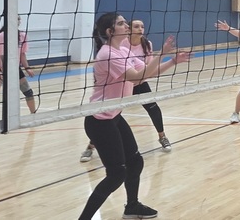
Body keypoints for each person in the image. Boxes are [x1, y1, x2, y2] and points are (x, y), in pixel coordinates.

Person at [79, 12, 189, 220]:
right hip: (100, 121)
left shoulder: (122, 50)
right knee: (116, 175)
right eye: (122, 23)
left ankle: (132, 206)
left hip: (114, 116)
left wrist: (173, 61)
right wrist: (162, 54)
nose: (127, 26)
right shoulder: (108, 54)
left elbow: (146, 73)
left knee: (135, 162)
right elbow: (137, 77)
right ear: (110, 31)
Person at [80, 20, 173, 163]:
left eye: (142, 26)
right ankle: (91, 145)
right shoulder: (119, 45)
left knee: (152, 108)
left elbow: (148, 69)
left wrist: (172, 61)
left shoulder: (145, 44)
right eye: (136, 26)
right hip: (123, 80)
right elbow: (133, 73)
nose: (140, 29)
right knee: (108, 115)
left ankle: (162, 136)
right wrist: (162, 55)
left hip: (138, 80)